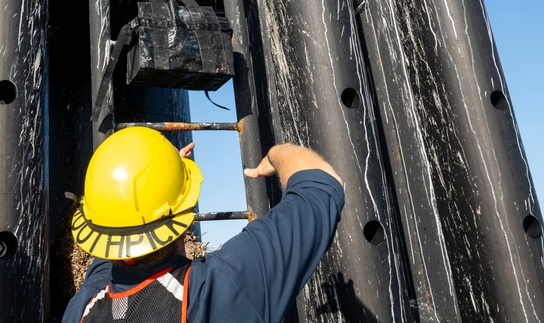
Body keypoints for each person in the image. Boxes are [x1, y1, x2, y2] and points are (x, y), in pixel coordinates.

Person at [63, 126, 344, 322]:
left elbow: (112, 242)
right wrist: (276, 154)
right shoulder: (213, 292)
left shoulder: (82, 307)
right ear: (184, 215)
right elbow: (323, 183)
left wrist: (160, 185)